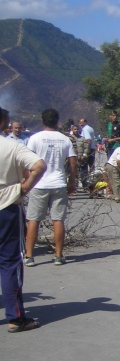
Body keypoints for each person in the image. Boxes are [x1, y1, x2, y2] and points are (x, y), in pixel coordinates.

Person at [0, 107, 47, 332]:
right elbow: (39, 166)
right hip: (7, 207)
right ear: (3, 124)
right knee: (10, 262)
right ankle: (16, 317)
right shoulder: (12, 146)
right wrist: (24, 188)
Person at [23, 108, 77, 266]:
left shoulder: (35, 138)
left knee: (34, 219)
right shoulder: (65, 139)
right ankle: (59, 255)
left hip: (39, 183)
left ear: (42, 121)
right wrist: (72, 181)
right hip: (58, 182)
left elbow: (27, 161)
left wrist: (26, 179)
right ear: (57, 121)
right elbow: (73, 162)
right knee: (58, 219)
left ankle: (29, 256)